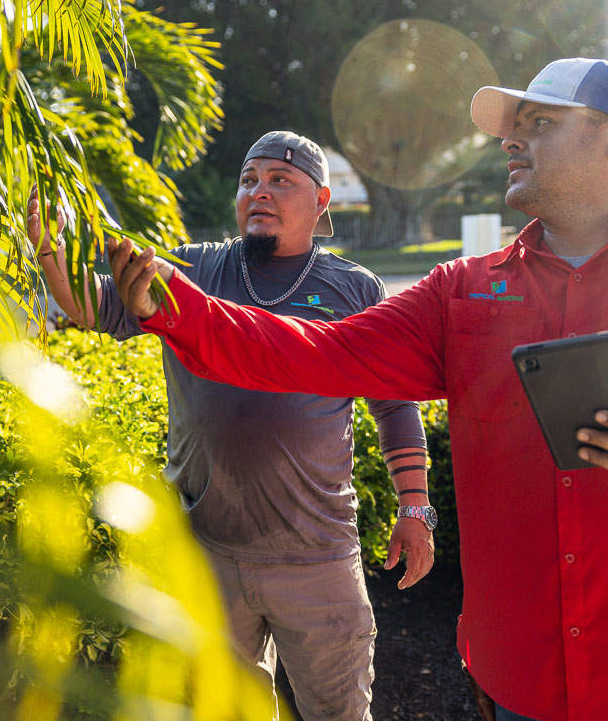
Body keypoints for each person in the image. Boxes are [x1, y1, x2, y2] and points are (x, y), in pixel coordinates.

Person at [105, 59, 608, 721]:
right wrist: (173, 304)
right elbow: (312, 353)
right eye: (512, 127)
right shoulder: (460, 292)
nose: (510, 140)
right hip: (526, 690)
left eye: (539, 123)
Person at [27, 130, 433, 721]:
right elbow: (91, 309)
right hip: (209, 550)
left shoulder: (354, 288)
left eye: (280, 181)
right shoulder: (190, 270)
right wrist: (49, 253)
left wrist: (415, 508)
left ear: (322, 201)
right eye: (249, 180)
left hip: (316, 556)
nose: (259, 192)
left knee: (338, 712)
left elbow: (394, 404)